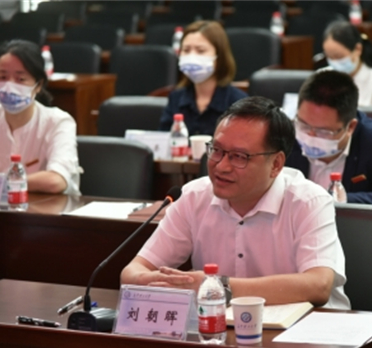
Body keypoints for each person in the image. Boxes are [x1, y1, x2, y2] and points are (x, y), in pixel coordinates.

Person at [122, 96, 350, 310]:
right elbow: (132, 272)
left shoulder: (309, 202)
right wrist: (162, 282)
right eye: (217, 150)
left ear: (276, 164)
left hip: (307, 330)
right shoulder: (193, 196)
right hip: (222, 329)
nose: (221, 166)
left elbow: (318, 285)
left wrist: (217, 286)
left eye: (239, 157)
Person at [286, 70, 372, 218]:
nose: (310, 137)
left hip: (356, 227)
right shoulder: (285, 133)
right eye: (304, 125)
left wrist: (337, 200)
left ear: (350, 127)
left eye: (323, 131)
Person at [0, 40, 80, 195]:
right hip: (0, 208)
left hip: (51, 206)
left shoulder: (58, 122)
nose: (9, 86)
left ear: (38, 85)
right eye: (2, 77)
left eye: (20, 79)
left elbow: (56, 180)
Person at [158, 20, 247, 136]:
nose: (192, 57)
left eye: (200, 51)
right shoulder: (175, 98)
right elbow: (163, 140)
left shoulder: (239, 102)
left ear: (219, 56)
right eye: (186, 50)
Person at [322, 21, 372, 107]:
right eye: (329, 57)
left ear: (358, 49)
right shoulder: (321, 77)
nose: (335, 62)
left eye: (339, 56)